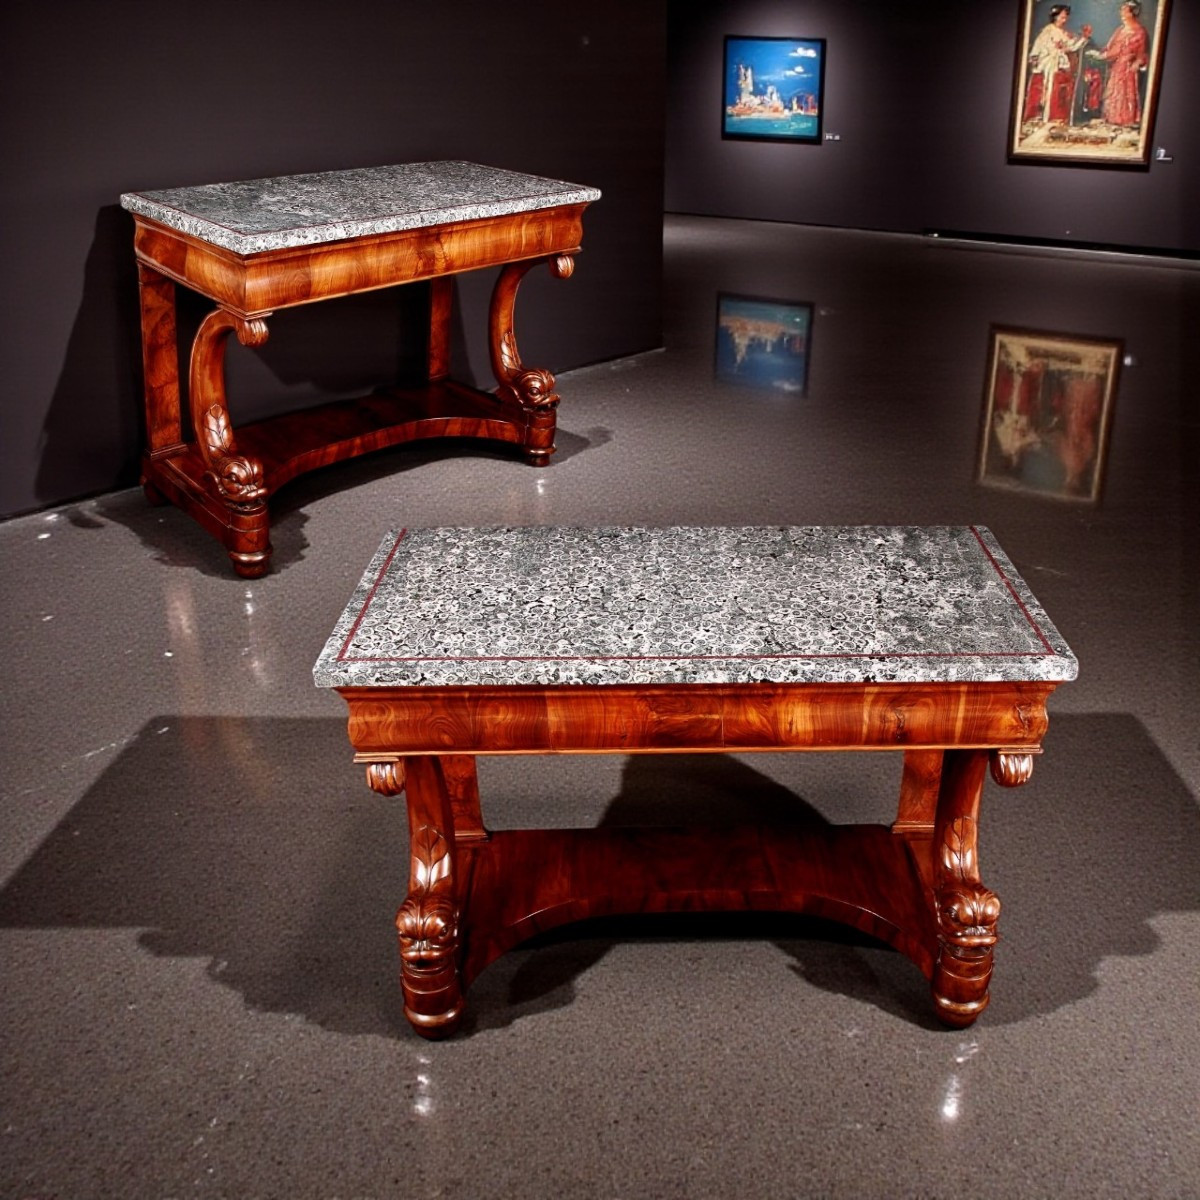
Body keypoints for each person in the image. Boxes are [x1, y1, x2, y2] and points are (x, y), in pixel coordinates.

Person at [1023, 5, 1093, 124]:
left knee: (1060, 92)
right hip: (1048, 64)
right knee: (1049, 90)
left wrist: (1084, 37)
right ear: (1055, 17)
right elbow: (1037, 49)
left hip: (1060, 65)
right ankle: (1046, 117)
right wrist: (1044, 55)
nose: (1064, 20)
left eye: (1066, 17)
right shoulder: (1048, 31)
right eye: (1062, 17)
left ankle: (1057, 117)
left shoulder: (1065, 33)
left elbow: (1072, 46)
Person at [1087, 2, 1150, 126]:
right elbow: (1110, 48)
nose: (1121, 13)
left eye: (1125, 11)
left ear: (1132, 13)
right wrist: (1099, 53)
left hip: (1128, 68)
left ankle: (1124, 120)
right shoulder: (1120, 30)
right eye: (1121, 10)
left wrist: (1137, 63)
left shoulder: (1139, 32)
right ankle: (1112, 119)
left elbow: (1140, 53)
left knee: (1124, 94)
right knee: (1113, 93)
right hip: (1116, 66)